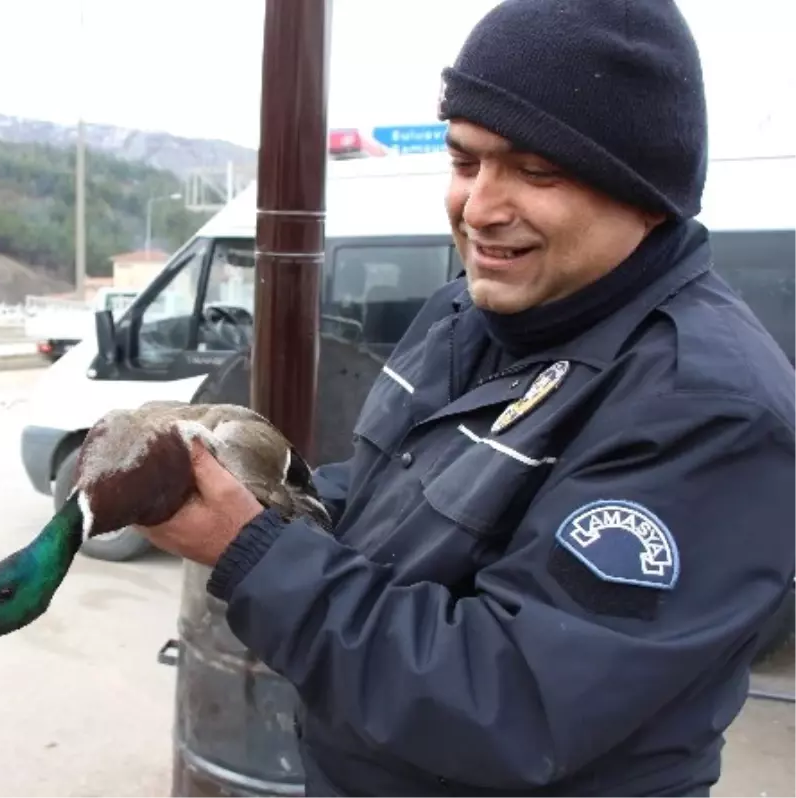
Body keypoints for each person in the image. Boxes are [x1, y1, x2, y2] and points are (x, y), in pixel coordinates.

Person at [138, 1, 796, 795]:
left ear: (647, 193)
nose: (479, 207)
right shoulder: (472, 312)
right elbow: (400, 493)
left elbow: (512, 703)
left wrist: (256, 554)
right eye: (464, 161)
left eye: (536, 171)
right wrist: (272, 494)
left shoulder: (710, 407)